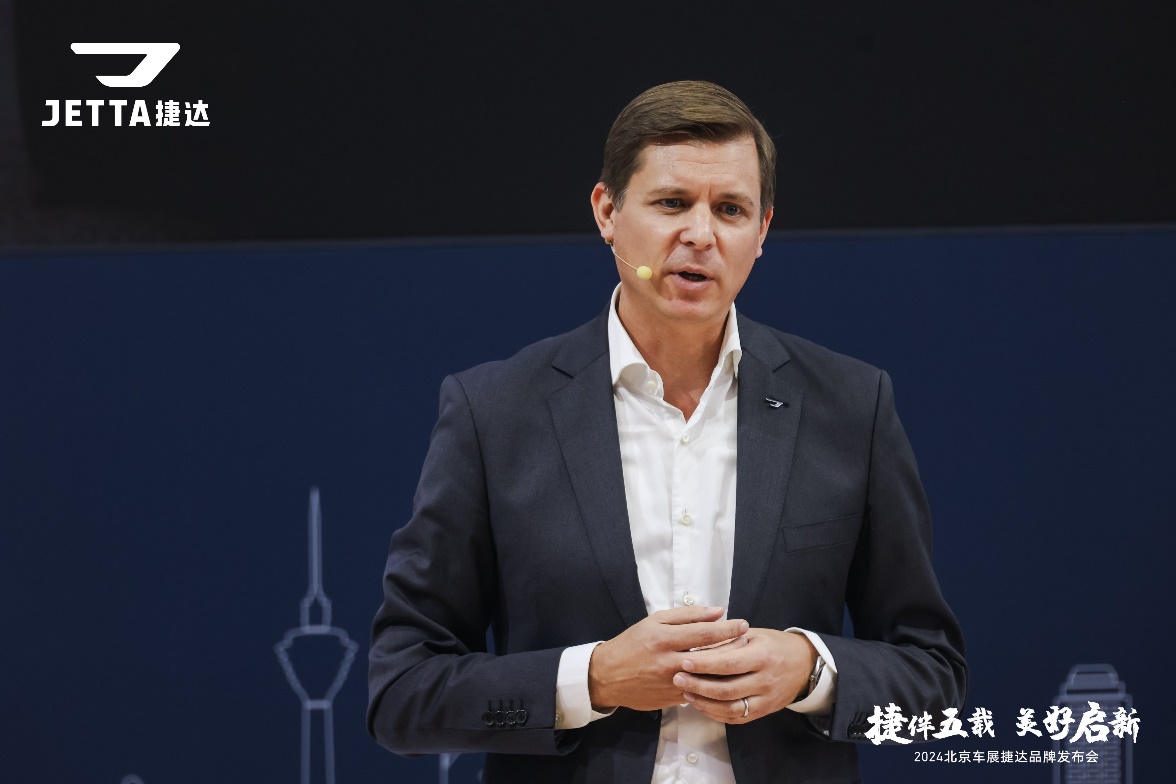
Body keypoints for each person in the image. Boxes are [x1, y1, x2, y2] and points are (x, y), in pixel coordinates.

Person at [367, 80, 967, 783]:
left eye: (731, 209)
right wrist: (591, 679)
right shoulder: (495, 412)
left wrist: (810, 670)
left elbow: (933, 674)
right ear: (607, 212)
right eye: (673, 203)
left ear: (762, 232)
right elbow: (402, 692)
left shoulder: (851, 406)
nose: (701, 235)